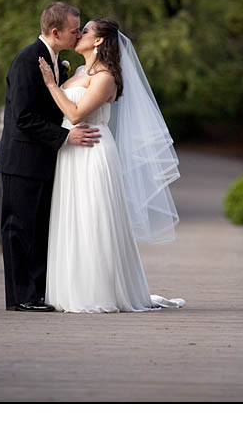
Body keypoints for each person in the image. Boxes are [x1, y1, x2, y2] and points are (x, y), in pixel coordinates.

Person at [38, 17, 185, 313]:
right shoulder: (80, 71)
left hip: (93, 151)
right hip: (71, 152)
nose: (79, 33)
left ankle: (98, 291)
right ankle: (70, 289)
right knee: (73, 218)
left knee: (93, 218)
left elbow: (77, 113)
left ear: (99, 41)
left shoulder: (106, 77)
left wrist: (52, 84)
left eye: (86, 30)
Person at [0, 2, 102, 312]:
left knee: (39, 229)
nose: (79, 34)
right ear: (55, 32)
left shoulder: (57, 62)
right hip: (22, 161)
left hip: (45, 160)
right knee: (19, 229)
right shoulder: (27, 61)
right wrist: (65, 136)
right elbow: (23, 117)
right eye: (74, 31)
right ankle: (21, 298)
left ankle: (37, 293)